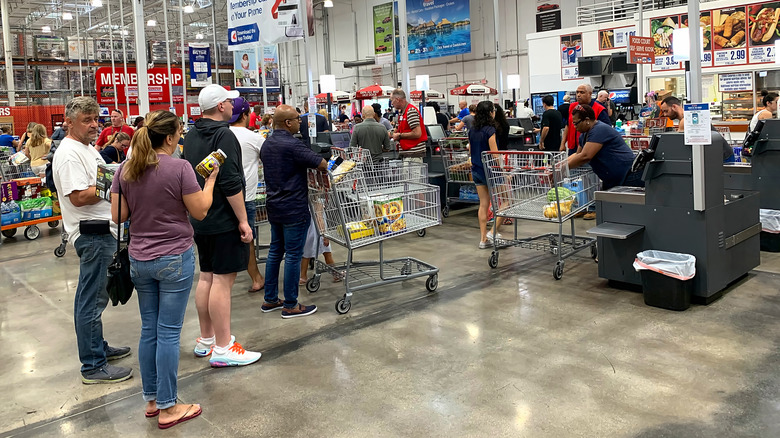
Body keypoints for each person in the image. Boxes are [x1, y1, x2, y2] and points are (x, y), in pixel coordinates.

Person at [111, 110, 215, 429]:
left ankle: (153, 400)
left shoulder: (126, 169)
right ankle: (170, 407)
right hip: (173, 258)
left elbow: (119, 215)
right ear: (170, 138)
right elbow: (200, 211)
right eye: (179, 133)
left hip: (140, 260)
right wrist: (209, 181)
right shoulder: (180, 168)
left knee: (149, 329)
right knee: (169, 332)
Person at [51, 96, 132, 384]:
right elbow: (79, 196)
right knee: (91, 299)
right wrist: (113, 185)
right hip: (91, 233)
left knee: (97, 295)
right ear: (69, 123)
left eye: (96, 118)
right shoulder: (70, 153)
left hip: (103, 229)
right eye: (87, 120)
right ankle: (93, 365)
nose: (94, 124)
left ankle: (98, 347)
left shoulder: (87, 149)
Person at [183, 84, 261, 367]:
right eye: (229, 102)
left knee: (206, 276)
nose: (232, 106)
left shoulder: (191, 135)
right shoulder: (223, 135)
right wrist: (243, 220)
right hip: (223, 217)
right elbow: (229, 182)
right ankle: (224, 346)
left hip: (200, 217)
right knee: (223, 280)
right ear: (220, 107)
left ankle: (207, 339)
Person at [260, 104, 327, 318]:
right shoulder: (293, 145)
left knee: (275, 251)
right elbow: (322, 164)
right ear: (288, 123)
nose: (301, 121)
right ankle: (291, 304)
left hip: (275, 205)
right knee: (293, 255)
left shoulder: (267, 144)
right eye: (298, 118)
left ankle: (270, 299)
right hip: (294, 207)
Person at [567, 104, 643, 210]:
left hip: (628, 175)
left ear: (587, 120)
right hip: (613, 179)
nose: (574, 127)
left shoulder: (599, 130)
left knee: (628, 213)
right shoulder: (584, 135)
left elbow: (585, 156)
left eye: (576, 123)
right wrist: (558, 165)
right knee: (613, 214)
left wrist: (561, 168)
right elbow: (578, 154)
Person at [228, 97, 266, 294]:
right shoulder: (254, 137)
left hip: (224, 195)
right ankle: (256, 277)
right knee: (247, 237)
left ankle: (226, 278)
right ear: (245, 115)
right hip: (246, 196)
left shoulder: (222, 135)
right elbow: (269, 159)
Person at [660, 96, 735, 163]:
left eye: (666, 111)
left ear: (674, 107)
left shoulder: (686, 120)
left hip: (722, 156)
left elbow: (679, 142)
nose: (665, 114)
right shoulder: (688, 117)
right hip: (719, 153)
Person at [469, 101, 502, 248]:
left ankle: (483, 240)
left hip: (476, 170)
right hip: (491, 171)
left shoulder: (472, 131)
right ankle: (493, 231)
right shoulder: (490, 130)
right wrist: (504, 170)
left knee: (483, 204)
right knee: (508, 201)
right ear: (490, 112)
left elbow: (470, 152)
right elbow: (495, 154)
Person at [560, 84, 611, 155]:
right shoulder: (572, 107)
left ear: (590, 94)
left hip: (590, 148)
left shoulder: (599, 109)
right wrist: (563, 143)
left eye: (582, 92)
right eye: (577, 92)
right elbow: (568, 125)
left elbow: (606, 130)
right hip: (573, 147)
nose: (578, 95)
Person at [390, 88, 428, 161]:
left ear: (397, 99)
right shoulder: (402, 113)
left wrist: (400, 136)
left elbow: (417, 133)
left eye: (392, 100)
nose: (392, 103)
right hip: (407, 154)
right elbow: (397, 130)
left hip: (413, 155)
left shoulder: (410, 111)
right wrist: (389, 134)